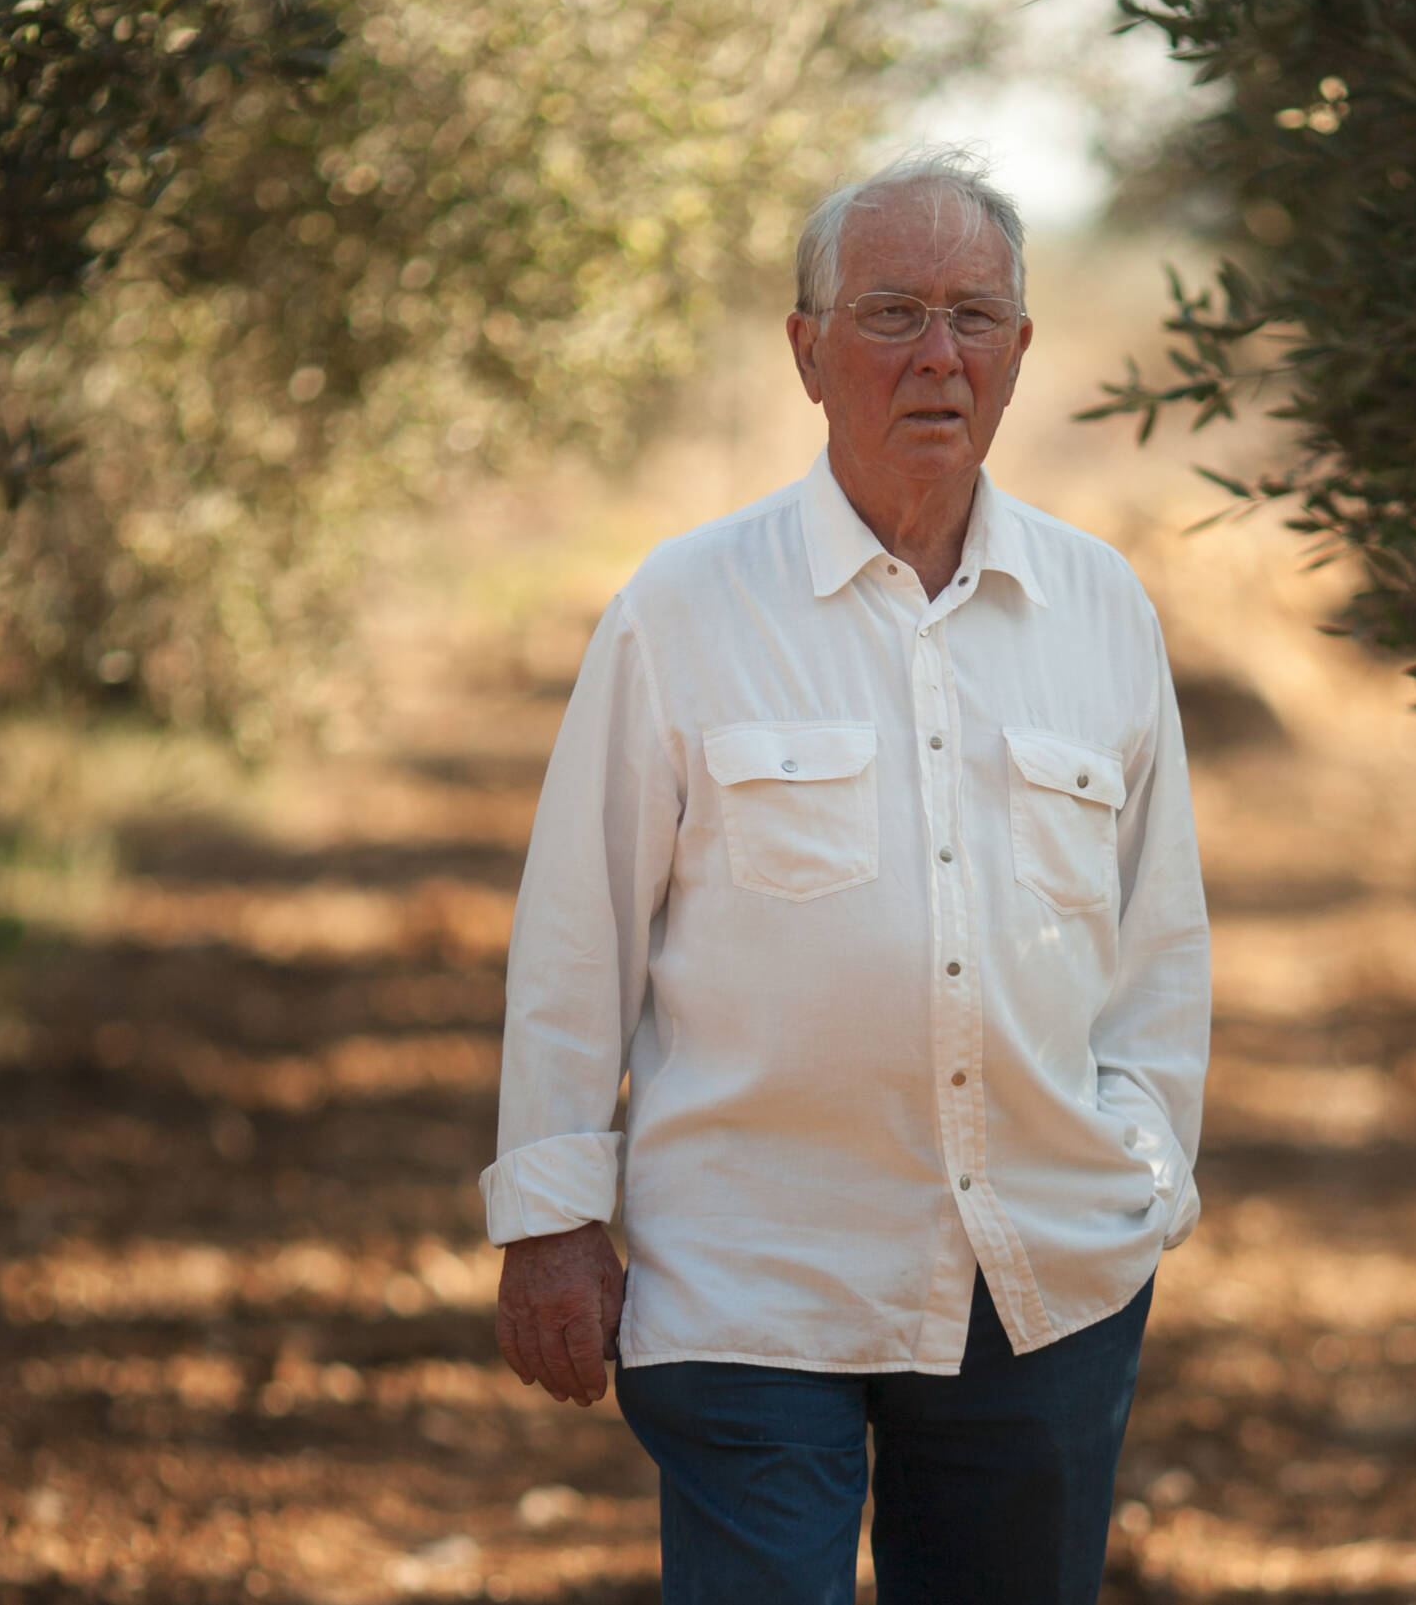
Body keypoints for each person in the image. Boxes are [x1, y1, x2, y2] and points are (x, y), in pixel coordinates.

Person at [483, 144, 1211, 1605]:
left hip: (1041, 1278)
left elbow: (1159, 941)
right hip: (751, 1272)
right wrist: (551, 1214)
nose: (938, 355)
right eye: (890, 314)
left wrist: (1142, 1173)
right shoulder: (683, 607)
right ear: (807, 351)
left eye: (974, 315)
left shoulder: (1102, 608)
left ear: (1019, 351)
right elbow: (579, 927)